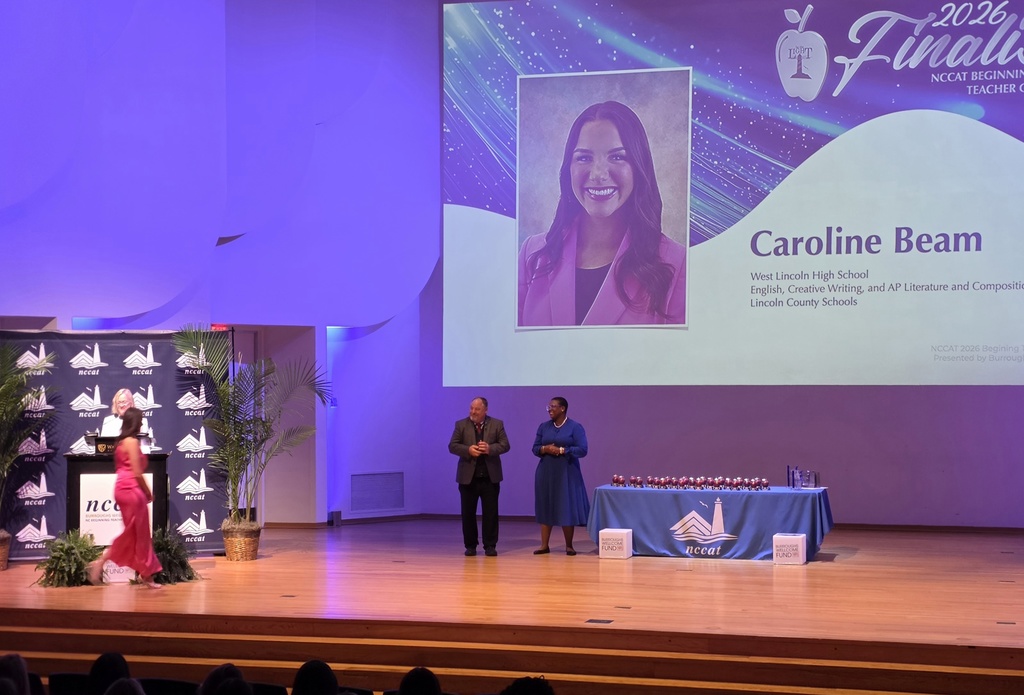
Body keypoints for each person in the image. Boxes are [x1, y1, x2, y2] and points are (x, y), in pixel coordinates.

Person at [518, 100, 686, 326]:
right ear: (568, 168)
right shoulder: (533, 254)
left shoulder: (677, 262)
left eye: (617, 157)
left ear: (639, 166)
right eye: (584, 157)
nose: (597, 174)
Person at [88, 407, 163, 588]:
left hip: (122, 488)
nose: (143, 423)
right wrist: (148, 492)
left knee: (135, 533)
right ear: (136, 423)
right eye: (141, 420)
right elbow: (137, 473)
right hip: (131, 490)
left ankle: (145, 575)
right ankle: (101, 562)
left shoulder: (120, 442)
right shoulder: (131, 442)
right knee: (139, 534)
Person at [448, 397, 510, 556]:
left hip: (490, 477)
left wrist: (490, 448)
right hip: (468, 477)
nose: (473, 412)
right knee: (467, 513)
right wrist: (468, 450)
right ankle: (470, 545)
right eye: (471, 408)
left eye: (477, 409)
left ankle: (490, 545)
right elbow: (452, 446)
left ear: (485, 410)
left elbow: (505, 445)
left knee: (491, 513)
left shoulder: (497, 424)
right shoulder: (460, 425)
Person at [532, 397, 589, 556]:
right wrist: (545, 448)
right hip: (546, 472)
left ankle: (569, 546)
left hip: (566, 471)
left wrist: (563, 451)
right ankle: (544, 545)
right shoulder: (544, 427)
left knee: (566, 505)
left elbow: (583, 450)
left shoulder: (575, 427)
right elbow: (535, 448)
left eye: (553, 407)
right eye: (548, 407)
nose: (549, 410)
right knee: (545, 505)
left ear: (563, 409)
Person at [100, 389, 151, 453]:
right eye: (119, 402)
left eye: (124, 402)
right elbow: (102, 445)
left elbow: (145, 448)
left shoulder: (141, 421)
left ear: (130, 403)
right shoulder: (108, 421)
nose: (121, 405)